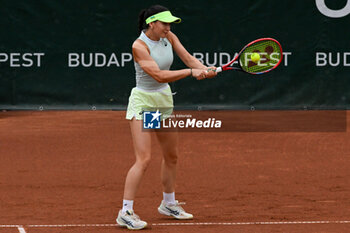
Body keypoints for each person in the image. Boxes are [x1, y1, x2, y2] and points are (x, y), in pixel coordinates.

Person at [116, 4, 217, 230]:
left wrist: (203, 68)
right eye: (164, 23)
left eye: (170, 24)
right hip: (144, 104)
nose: (168, 27)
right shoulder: (139, 46)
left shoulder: (169, 37)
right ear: (152, 23)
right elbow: (160, 76)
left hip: (162, 102)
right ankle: (125, 211)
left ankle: (168, 204)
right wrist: (191, 73)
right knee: (143, 159)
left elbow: (189, 59)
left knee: (171, 156)